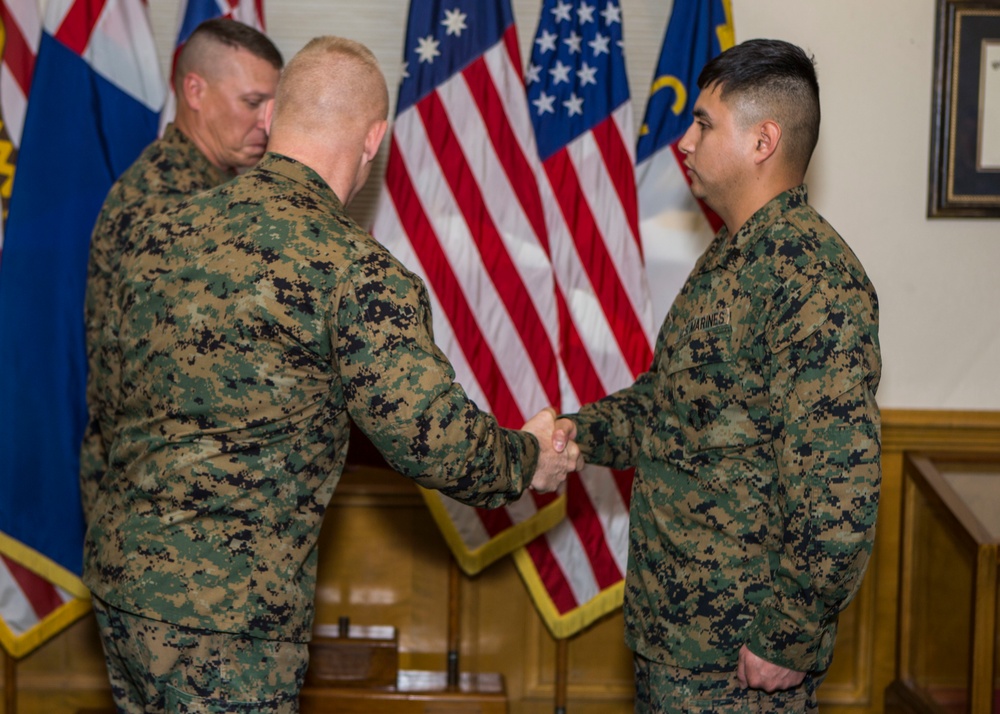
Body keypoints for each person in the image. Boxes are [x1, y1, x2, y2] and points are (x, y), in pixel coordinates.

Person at [83, 35, 581, 713]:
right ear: (374, 139)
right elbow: (436, 441)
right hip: (227, 620)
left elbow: (107, 405)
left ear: (279, 116)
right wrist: (530, 460)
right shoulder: (354, 270)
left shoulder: (158, 233)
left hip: (120, 586)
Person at [554, 39, 881, 712]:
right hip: (678, 639)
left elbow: (839, 487)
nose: (683, 140)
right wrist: (567, 434)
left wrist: (788, 635)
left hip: (740, 653)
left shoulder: (812, 277)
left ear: (764, 140)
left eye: (703, 122)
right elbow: (666, 412)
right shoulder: (731, 258)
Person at [80, 18, 284, 520]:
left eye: (273, 108)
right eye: (253, 103)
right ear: (195, 90)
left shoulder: (211, 194)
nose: (267, 124)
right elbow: (159, 390)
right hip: (160, 516)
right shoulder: (164, 206)